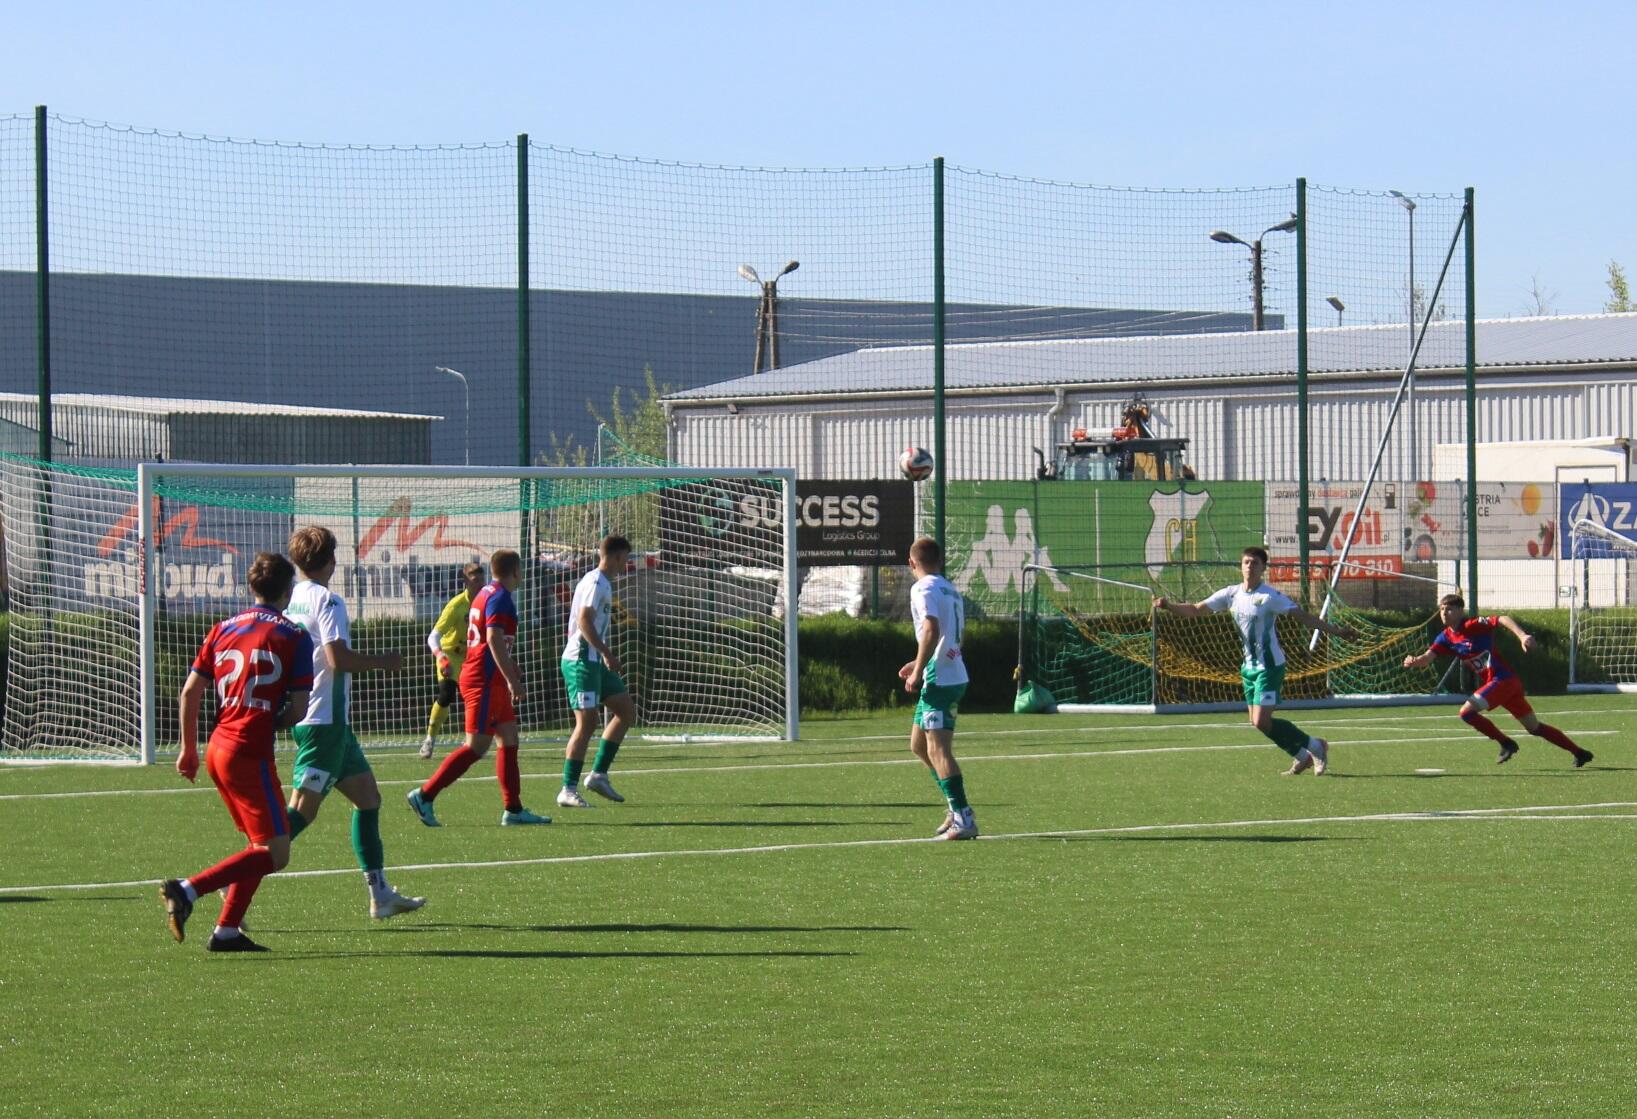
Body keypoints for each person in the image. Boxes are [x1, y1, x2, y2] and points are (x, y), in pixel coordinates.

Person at [159, 552, 314, 952]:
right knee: (276, 853)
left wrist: (188, 749)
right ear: (288, 590)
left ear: (250, 587)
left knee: (258, 846)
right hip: (248, 751)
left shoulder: (223, 628)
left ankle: (227, 930)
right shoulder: (294, 636)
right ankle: (187, 890)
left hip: (217, 748)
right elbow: (298, 709)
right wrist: (272, 722)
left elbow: (190, 692)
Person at [283, 526, 426, 918]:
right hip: (324, 721)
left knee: (368, 799)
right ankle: (239, 878)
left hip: (323, 720)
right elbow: (338, 659)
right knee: (301, 812)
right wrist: (384, 661)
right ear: (331, 560)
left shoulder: (293, 599)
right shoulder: (328, 600)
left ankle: (380, 895)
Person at [1154, 546, 1353, 776]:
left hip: (1270, 667)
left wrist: (1336, 631)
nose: (1250, 566)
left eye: (1255, 563)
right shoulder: (1231, 594)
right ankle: (1301, 756)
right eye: (1246, 562)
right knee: (1257, 722)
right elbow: (1196, 609)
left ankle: (1316, 746)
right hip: (1248, 668)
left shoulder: (1269, 597)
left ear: (1263, 568)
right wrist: (1168, 606)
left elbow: (1303, 617)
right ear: (1241, 566)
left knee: (1260, 720)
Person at [408, 548, 550, 825]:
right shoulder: (500, 597)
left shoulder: (485, 593)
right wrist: (512, 680)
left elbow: (488, 640)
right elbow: (493, 638)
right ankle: (425, 795)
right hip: (483, 680)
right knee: (476, 746)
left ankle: (513, 809)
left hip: (490, 677)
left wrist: (510, 666)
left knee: (509, 738)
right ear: (516, 571)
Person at [1402, 593, 1593, 767]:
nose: (1444, 613)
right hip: (1503, 685)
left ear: (1460, 611)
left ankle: (1506, 743)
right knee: (1534, 728)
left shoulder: (1472, 625)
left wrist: (1522, 636)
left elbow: (1502, 618)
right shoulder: (1445, 637)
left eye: (1449, 609)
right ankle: (1580, 753)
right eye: (1442, 609)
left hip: (1503, 680)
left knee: (1466, 712)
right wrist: (1415, 660)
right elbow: (1427, 658)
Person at [898, 536, 978, 840]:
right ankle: (954, 808)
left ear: (911, 563)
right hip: (950, 671)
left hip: (940, 679)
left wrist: (920, 670)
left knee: (938, 749)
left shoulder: (922, 588)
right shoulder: (949, 588)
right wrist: (919, 661)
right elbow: (951, 636)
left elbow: (931, 628)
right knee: (919, 745)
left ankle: (963, 818)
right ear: (940, 561)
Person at [555, 535, 637, 809]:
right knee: (587, 723)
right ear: (616, 556)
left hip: (594, 662)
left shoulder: (603, 582)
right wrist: (606, 653)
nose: (627, 563)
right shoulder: (595, 582)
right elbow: (584, 620)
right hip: (581, 660)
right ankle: (568, 789)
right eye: (626, 558)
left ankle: (598, 775)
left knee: (626, 711)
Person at [420, 561, 485, 759]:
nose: (480, 585)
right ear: (466, 581)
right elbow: (433, 636)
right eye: (475, 580)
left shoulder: (487, 603)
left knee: (476, 698)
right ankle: (430, 739)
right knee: (446, 694)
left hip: (471, 657)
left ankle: (471, 741)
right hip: (450, 654)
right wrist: (440, 657)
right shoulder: (456, 606)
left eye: (482, 580)